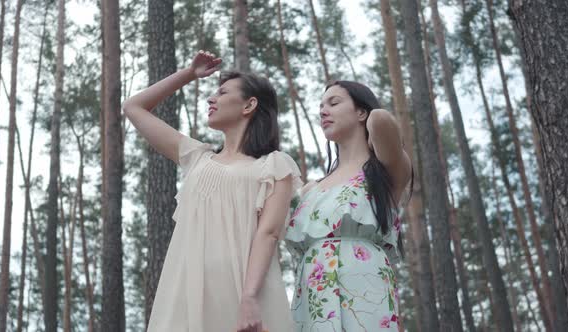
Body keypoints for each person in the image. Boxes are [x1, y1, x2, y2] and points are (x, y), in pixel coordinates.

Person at [123, 50, 301, 332]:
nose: (211, 98)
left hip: (244, 293)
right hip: (186, 293)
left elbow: (268, 234)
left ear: (249, 105)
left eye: (222, 92)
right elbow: (134, 107)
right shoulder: (196, 157)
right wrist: (188, 74)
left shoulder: (274, 166)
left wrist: (250, 298)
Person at [285, 81, 412, 331]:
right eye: (320, 106)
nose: (323, 111)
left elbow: (380, 119)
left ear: (361, 112)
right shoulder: (310, 189)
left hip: (365, 293)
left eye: (333, 103)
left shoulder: (385, 169)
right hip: (312, 294)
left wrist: (369, 113)